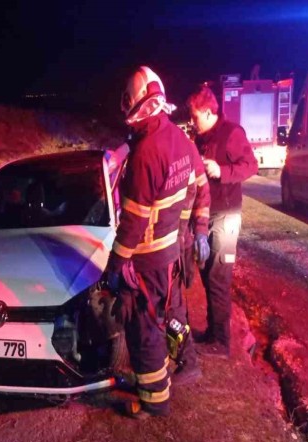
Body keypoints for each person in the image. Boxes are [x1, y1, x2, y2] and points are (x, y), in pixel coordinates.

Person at [104, 66, 194, 418]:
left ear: (137, 103)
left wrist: (116, 263)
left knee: (144, 329)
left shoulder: (146, 153)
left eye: (127, 101)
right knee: (158, 321)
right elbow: (191, 187)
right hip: (168, 253)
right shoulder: (177, 138)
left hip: (146, 258)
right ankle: (162, 381)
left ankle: (154, 401)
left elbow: (133, 221)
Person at [186, 85, 258, 359]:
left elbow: (251, 165)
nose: (192, 121)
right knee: (207, 273)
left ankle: (221, 342)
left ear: (208, 112)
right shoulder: (200, 138)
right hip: (207, 215)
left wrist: (222, 170)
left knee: (218, 276)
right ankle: (213, 332)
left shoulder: (232, 133)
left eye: (195, 116)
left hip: (226, 215)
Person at [167, 141, 210, 385]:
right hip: (171, 243)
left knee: (172, 305)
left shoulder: (183, 148)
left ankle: (188, 360)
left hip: (174, 244)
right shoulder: (150, 146)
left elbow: (202, 191)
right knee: (172, 304)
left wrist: (202, 232)